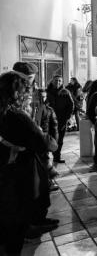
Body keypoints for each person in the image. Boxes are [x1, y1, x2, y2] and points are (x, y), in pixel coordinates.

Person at [0, 71, 58, 254]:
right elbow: (46, 143)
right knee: (14, 226)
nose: (29, 95)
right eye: (26, 90)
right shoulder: (17, 115)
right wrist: (40, 131)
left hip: (7, 173)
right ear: (17, 93)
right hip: (19, 176)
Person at [35, 89, 60, 191]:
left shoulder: (49, 110)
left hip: (43, 139)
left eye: (44, 97)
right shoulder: (31, 109)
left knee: (44, 160)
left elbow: (54, 127)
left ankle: (49, 181)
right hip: (33, 139)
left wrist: (54, 141)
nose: (42, 99)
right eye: (40, 96)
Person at [46, 75, 74, 163]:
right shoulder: (47, 92)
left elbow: (71, 105)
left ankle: (57, 157)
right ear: (52, 81)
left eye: (59, 81)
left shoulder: (65, 92)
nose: (57, 82)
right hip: (48, 120)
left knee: (60, 140)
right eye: (56, 80)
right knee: (47, 139)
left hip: (61, 120)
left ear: (62, 82)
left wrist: (67, 117)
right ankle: (45, 158)